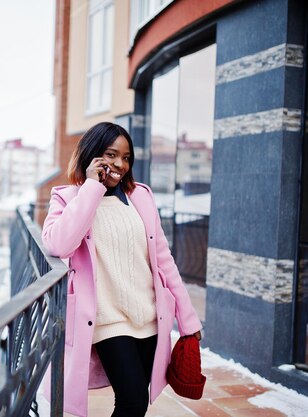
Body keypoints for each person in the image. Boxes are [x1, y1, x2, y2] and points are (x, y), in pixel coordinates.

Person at [41, 122, 202, 417]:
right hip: (107, 319)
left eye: (126, 157)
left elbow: (164, 261)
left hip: (149, 315)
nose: (119, 164)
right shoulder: (67, 197)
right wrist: (92, 186)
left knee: (136, 403)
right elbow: (58, 244)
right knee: (133, 401)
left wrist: (188, 320)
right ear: (92, 154)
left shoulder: (139, 196)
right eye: (111, 154)